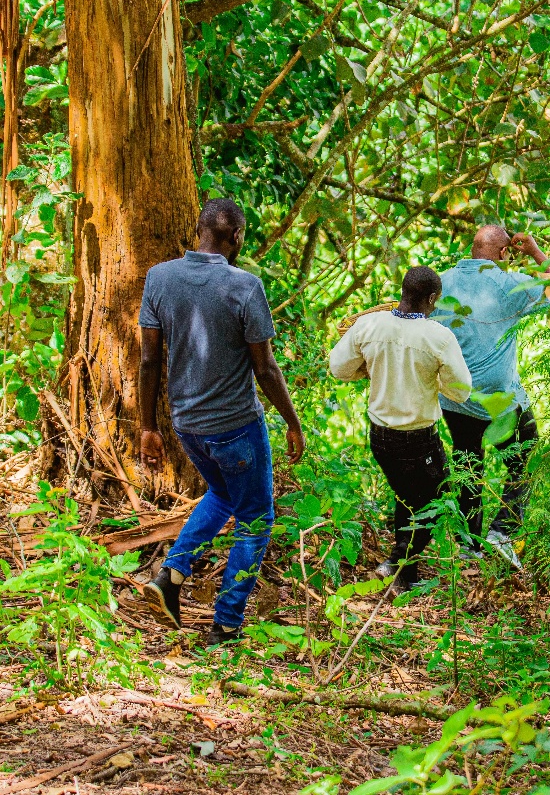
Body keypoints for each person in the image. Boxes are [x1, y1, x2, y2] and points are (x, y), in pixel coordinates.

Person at [138, 198, 305, 644]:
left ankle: (171, 574)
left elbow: (149, 360)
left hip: (187, 425)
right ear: (237, 238)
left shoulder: (160, 278)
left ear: (198, 231)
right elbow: (265, 368)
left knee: (223, 494)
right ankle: (226, 623)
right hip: (236, 426)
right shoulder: (244, 286)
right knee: (255, 516)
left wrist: (147, 425)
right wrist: (292, 421)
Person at [435, 226, 550, 567]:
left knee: (468, 463)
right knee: (525, 458)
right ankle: (503, 531)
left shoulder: (440, 282)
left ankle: (469, 546)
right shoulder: (509, 285)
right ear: (503, 253)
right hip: (500, 399)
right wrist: (537, 253)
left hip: (454, 397)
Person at [329, 267, 472, 590]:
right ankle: (399, 567)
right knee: (433, 502)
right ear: (431, 298)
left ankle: (401, 568)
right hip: (417, 438)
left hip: (380, 435)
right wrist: (431, 379)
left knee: (408, 497)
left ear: (404, 291)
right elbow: (461, 390)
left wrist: (366, 371)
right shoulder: (437, 336)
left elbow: (339, 367)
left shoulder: (370, 325)